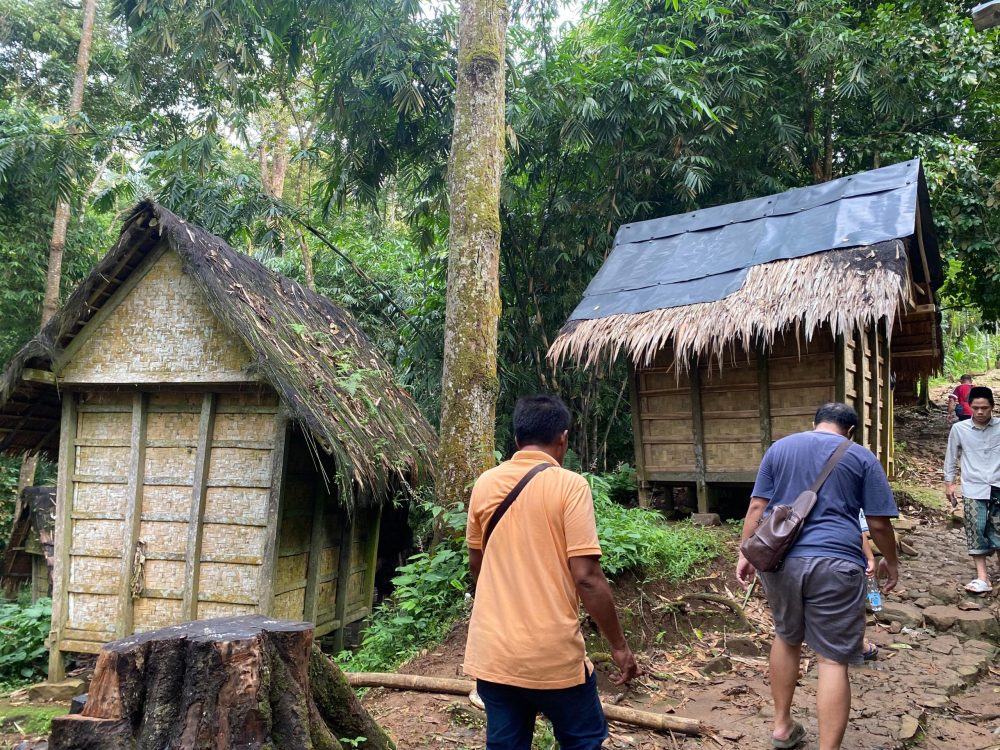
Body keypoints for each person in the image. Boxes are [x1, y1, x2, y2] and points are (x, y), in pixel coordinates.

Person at [464, 395, 639, 749]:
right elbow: (587, 577)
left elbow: (477, 565)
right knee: (584, 741)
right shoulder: (570, 486)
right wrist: (619, 647)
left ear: (516, 440)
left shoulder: (485, 483)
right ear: (563, 438)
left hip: (494, 653)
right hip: (553, 657)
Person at [736, 403, 900, 750]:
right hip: (837, 562)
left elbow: (756, 507)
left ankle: (781, 727)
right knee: (832, 659)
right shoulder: (861, 457)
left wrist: (744, 551)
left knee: (786, 636)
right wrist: (892, 561)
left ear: (814, 424)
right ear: (851, 431)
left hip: (781, 561)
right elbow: (879, 524)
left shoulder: (780, 448)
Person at [944, 385, 1000, 594]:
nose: (980, 412)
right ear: (970, 407)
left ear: (992, 407)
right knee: (975, 529)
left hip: (998, 485)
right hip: (973, 486)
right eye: (975, 407)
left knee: (999, 529)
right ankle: (982, 577)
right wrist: (949, 484)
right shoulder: (960, 429)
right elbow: (951, 457)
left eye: (984, 408)